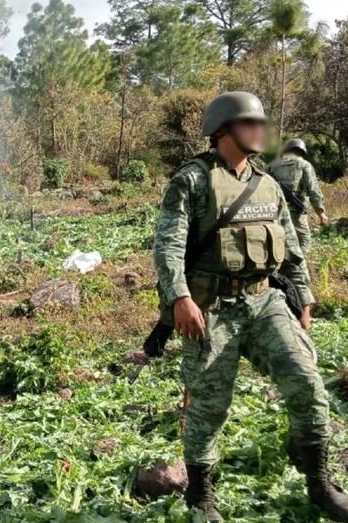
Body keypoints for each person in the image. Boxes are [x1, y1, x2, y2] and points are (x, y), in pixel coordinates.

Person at [152, 91, 348, 522]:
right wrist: (180, 298)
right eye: (250, 122)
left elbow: (292, 252)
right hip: (212, 310)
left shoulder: (268, 184)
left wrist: (304, 301)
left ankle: (319, 481)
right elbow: (167, 245)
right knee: (209, 408)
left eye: (261, 123)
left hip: (264, 301)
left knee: (308, 385)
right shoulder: (193, 181)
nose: (261, 130)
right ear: (223, 129)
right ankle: (200, 498)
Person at [268, 138, 328, 254]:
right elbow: (313, 189)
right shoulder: (304, 165)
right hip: (296, 211)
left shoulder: (271, 166)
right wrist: (321, 213)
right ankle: (298, 265)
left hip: (274, 210)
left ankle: (279, 265)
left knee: (279, 239)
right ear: (302, 151)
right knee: (304, 239)